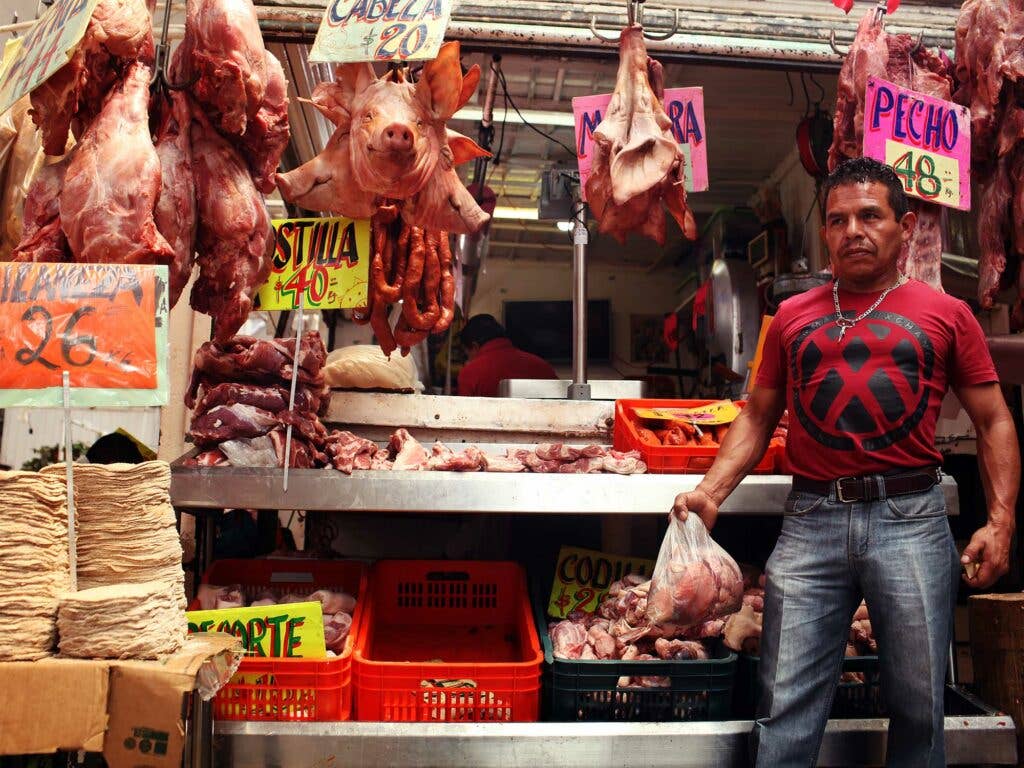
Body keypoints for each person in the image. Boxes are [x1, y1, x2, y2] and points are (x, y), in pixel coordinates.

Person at [672, 157, 1019, 767]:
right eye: (838, 220)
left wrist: (1001, 519)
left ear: (904, 227)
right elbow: (755, 416)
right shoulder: (791, 319)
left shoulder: (947, 313)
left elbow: (993, 420)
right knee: (784, 704)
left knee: (919, 704)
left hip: (911, 515)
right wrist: (710, 492)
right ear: (826, 232)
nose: (853, 230)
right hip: (812, 519)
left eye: (869, 216)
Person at [456, 314, 558, 397]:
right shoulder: (543, 366)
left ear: (474, 346)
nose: (468, 359)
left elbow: (463, 417)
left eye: (467, 354)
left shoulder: (470, 372)